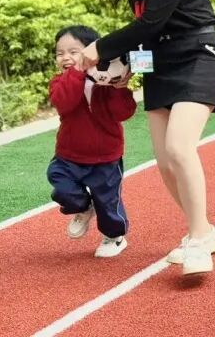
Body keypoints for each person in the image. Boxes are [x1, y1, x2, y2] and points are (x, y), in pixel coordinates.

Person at [79, 0, 215, 275]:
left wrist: (100, 48)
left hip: (198, 55)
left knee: (179, 148)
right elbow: (149, 29)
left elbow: (150, 22)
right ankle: (203, 230)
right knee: (164, 162)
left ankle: (199, 238)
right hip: (160, 62)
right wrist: (129, 65)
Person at [48, 25, 137, 258]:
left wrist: (119, 89)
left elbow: (123, 113)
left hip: (106, 157)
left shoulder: (108, 82)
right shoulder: (59, 82)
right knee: (60, 184)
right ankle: (84, 207)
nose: (66, 57)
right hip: (69, 154)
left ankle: (114, 237)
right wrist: (78, 71)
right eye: (60, 53)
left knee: (108, 201)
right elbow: (64, 102)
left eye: (73, 52)